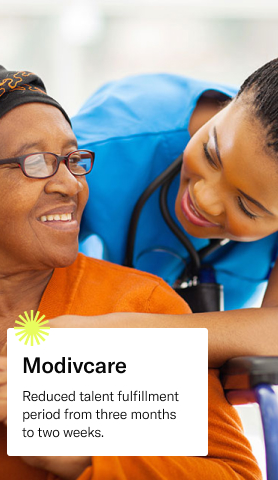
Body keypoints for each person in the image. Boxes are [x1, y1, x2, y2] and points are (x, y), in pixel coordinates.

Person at [0, 59, 260, 480]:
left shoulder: (140, 304)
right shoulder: (127, 137)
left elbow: (234, 473)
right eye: (36, 162)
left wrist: (83, 452)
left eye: (74, 160)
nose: (72, 183)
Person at [71, 59, 278, 367]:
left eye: (247, 206)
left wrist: (112, 335)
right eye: (210, 153)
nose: (204, 200)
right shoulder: (109, 139)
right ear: (228, 104)